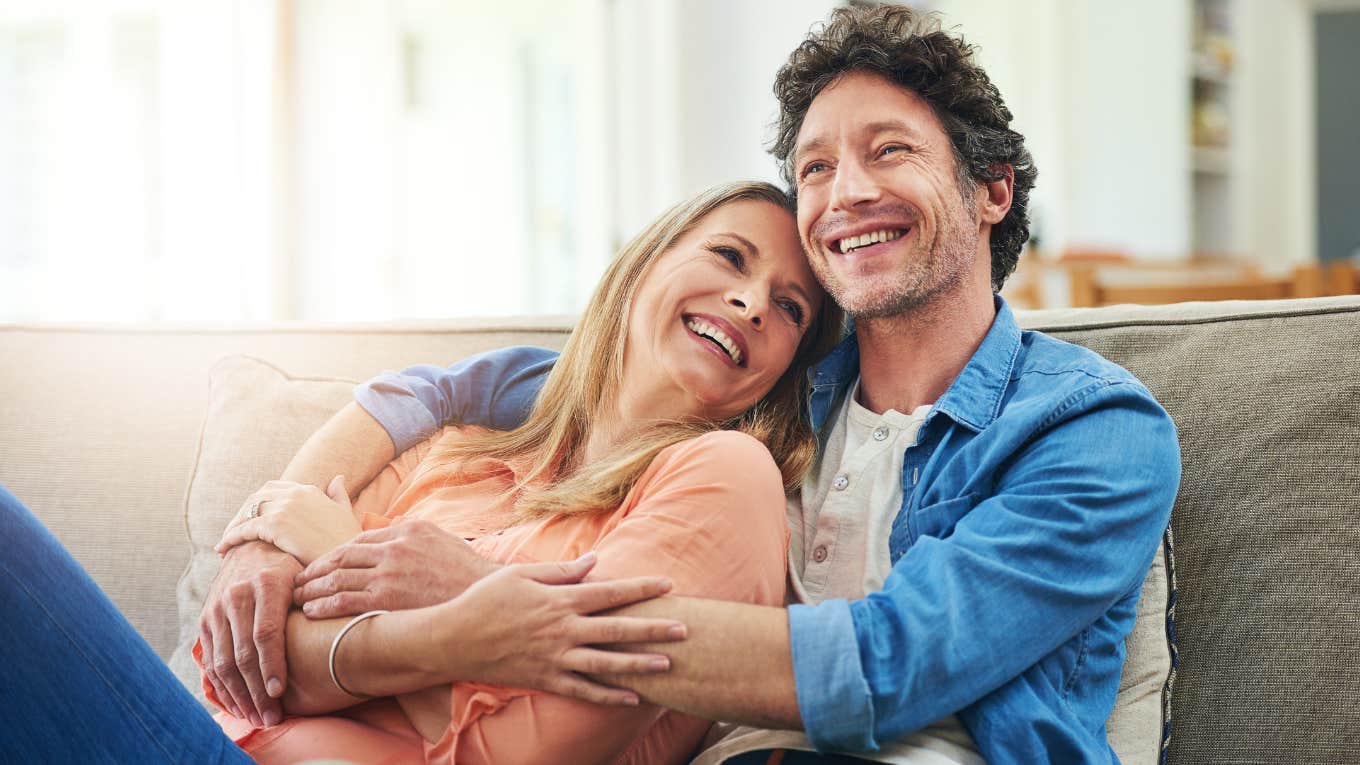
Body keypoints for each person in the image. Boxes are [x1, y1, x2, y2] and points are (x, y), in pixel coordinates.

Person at [207, 6, 1183, 765]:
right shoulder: (772, 393)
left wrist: (496, 603)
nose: (843, 194)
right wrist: (266, 535)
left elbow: (889, 666)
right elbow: (482, 388)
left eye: (888, 150)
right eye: (814, 167)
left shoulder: (1094, 431)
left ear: (992, 189)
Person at [0, 180, 844, 764]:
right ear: (645, 267)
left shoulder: (725, 478)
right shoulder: (463, 450)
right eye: (730, 258)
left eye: (790, 309)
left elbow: (543, 745)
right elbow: (262, 668)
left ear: (781, 372)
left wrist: (441, 602)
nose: (752, 302)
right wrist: (470, 640)